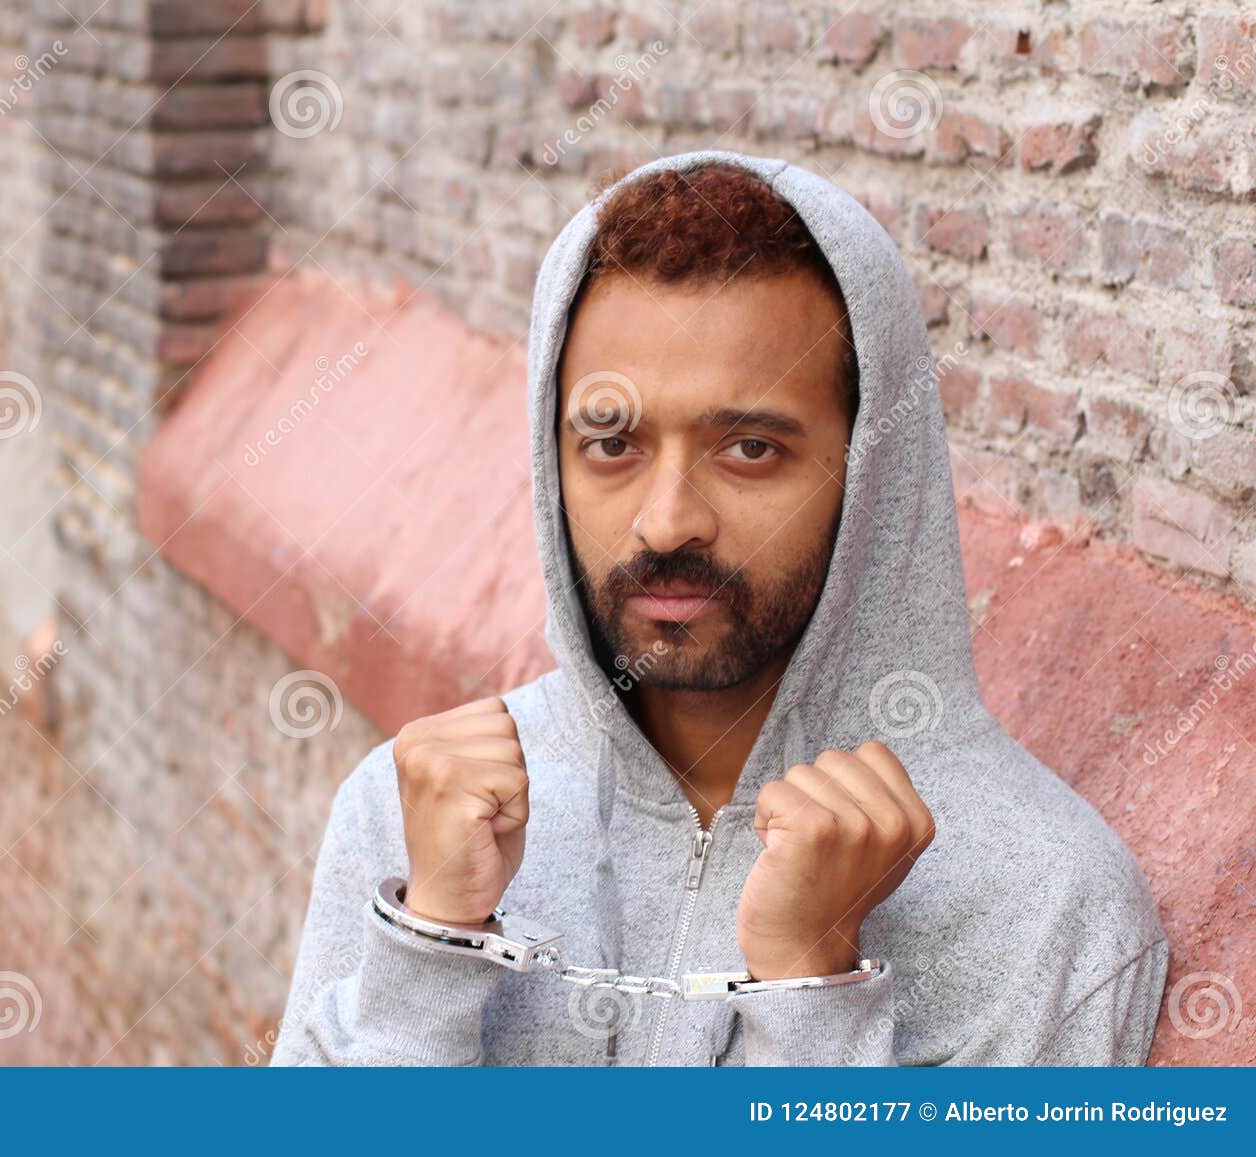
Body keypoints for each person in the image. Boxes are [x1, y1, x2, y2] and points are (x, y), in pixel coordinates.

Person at [270, 150, 1168, 1066]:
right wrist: (430, 955)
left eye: (749, 448)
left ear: (869, 470)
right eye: (612, 443)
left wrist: (811, 990)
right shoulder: (410, 818)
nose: (667, 523)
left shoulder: (1044, 901)